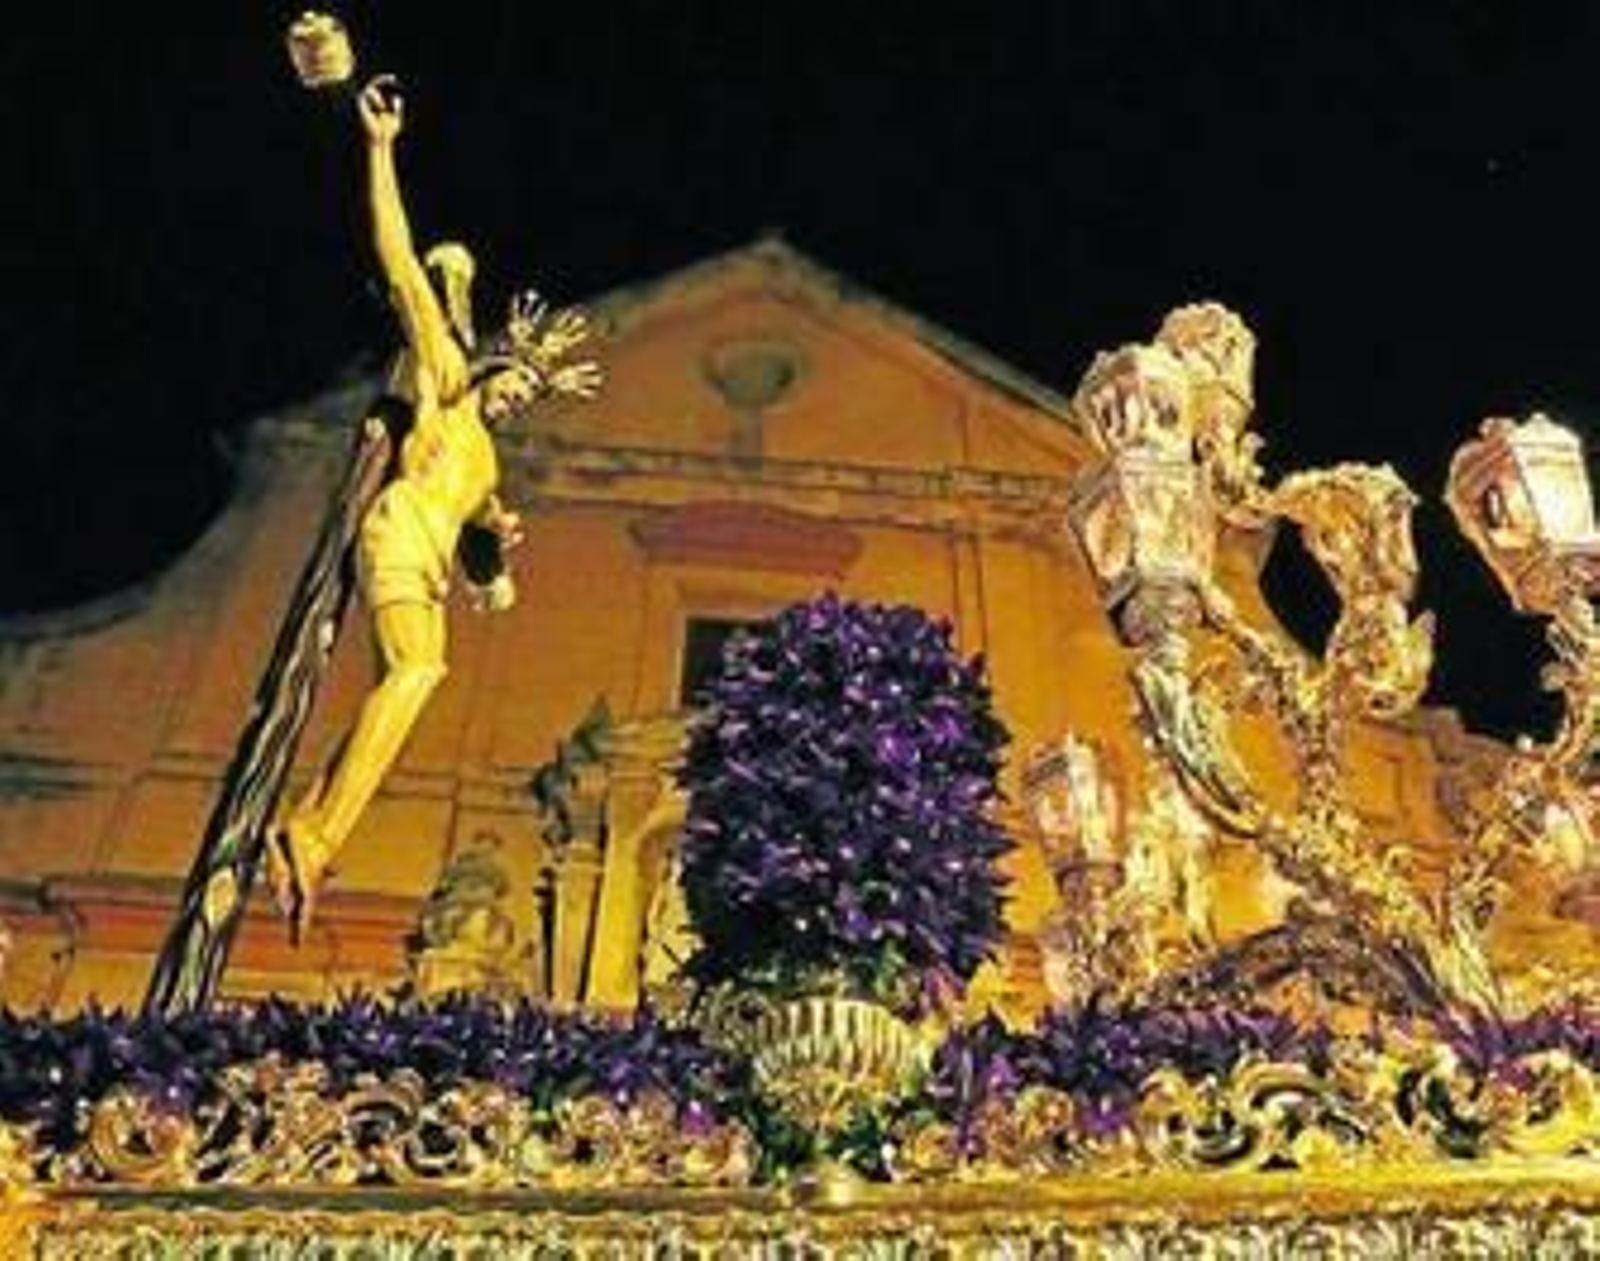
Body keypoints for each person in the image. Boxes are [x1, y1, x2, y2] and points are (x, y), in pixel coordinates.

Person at [265, 75, 599, 942]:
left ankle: (310, 822)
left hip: (430, 546)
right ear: (487, 367)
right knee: (416, 673)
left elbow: (486, 531)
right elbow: (401, 260)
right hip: (399, 527)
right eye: (515, 379)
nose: (516, 395)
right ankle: (314, 830)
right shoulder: (446, 383)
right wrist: (380, 150)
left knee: (405, 681)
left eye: (529, 391)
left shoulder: (487, 458)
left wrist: (496, 561)